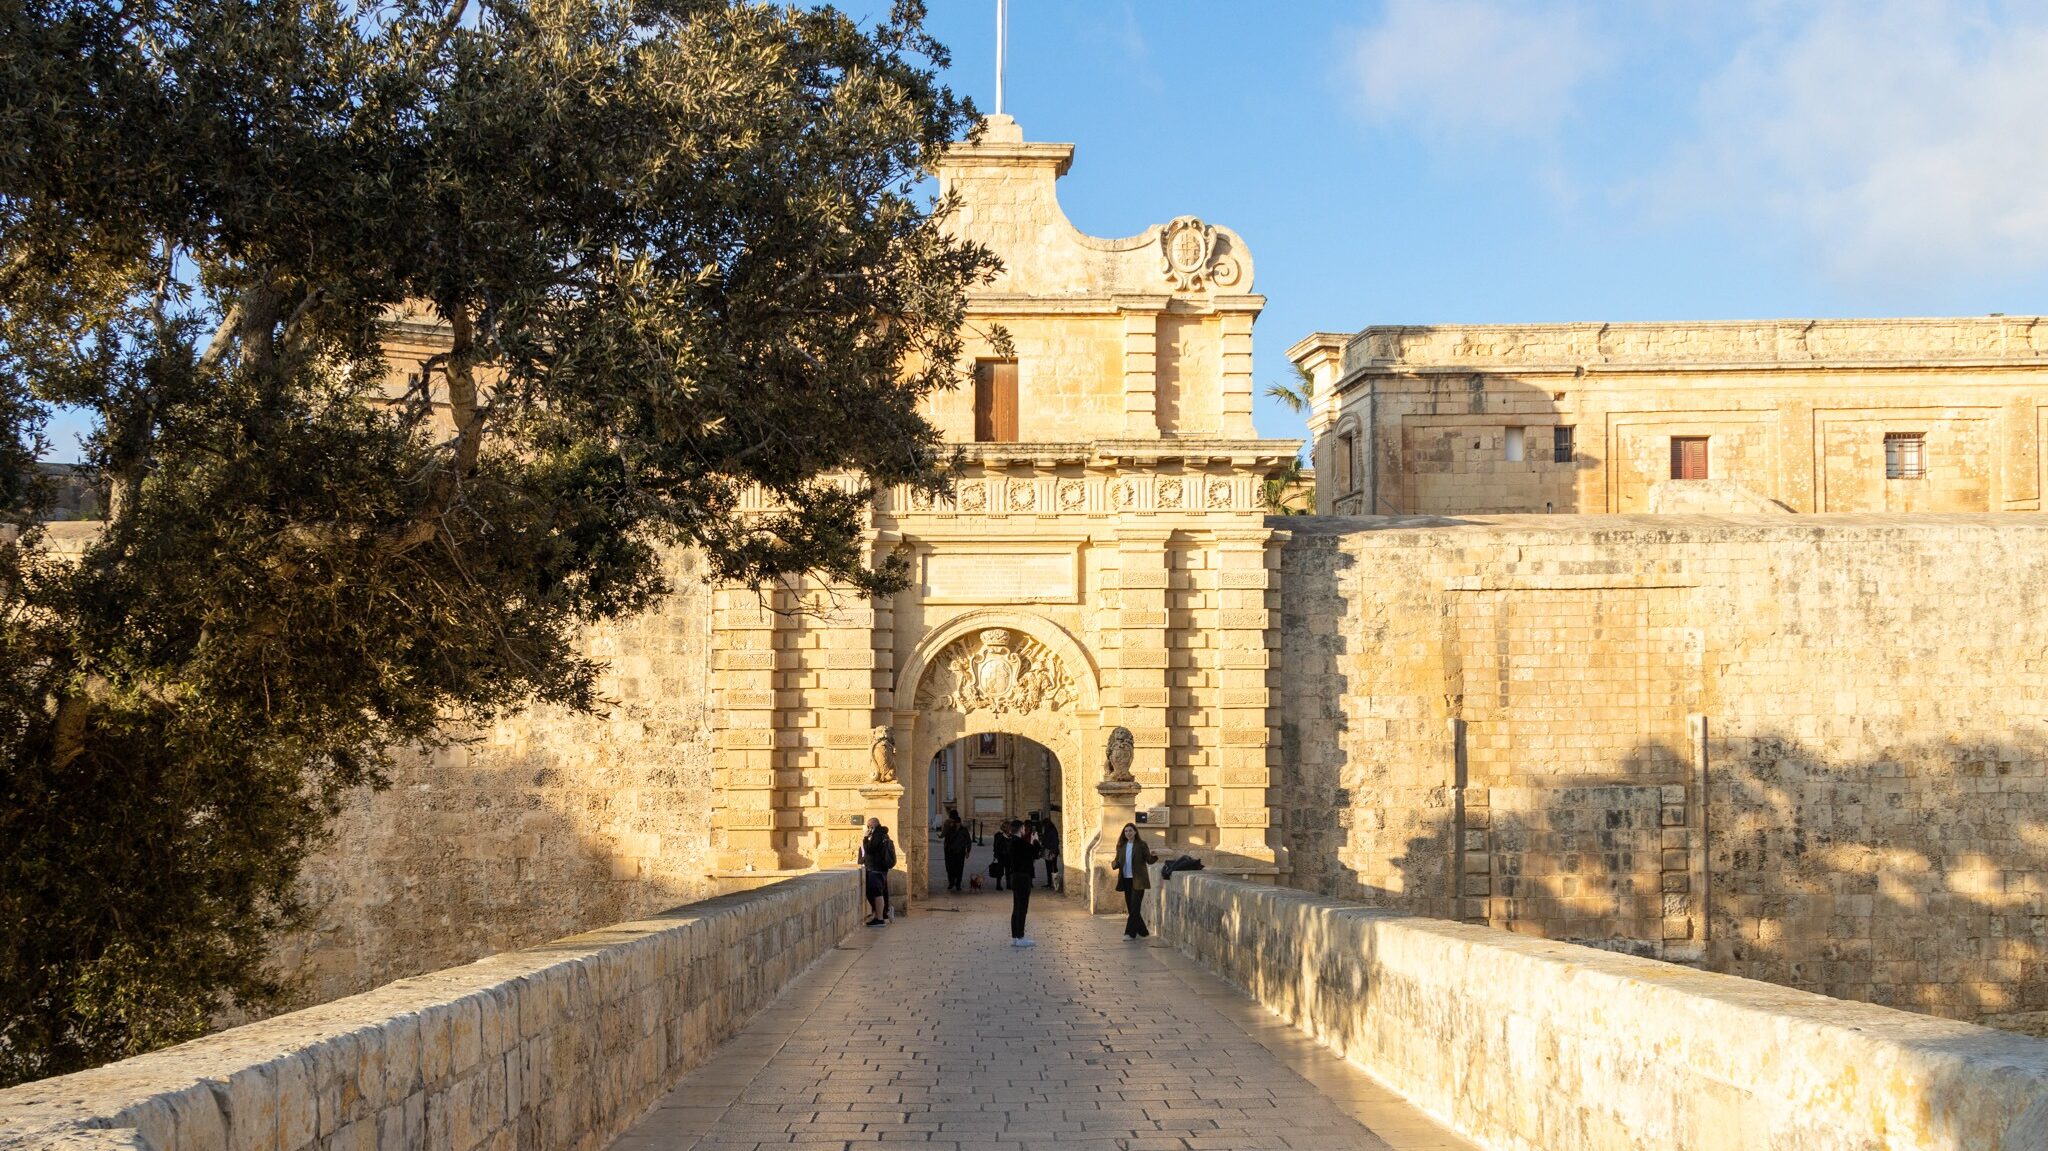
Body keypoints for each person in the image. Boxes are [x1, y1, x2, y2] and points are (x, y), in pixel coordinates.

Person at [1113, 823, 1156, 940]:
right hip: (1126, 880)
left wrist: (1154, 856)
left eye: (1130, 831)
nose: (1128, 833)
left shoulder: (1141, 845)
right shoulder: (1121, 846)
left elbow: (1149, 860)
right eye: (1126, 831)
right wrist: (1115, 864)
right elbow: (1116, 860)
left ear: (1135, 832)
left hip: (1138, 880)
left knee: (1135, 907)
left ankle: (1129, 934)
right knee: (1131, 908)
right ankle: (1143, 932)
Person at [1003, 819, 1042, 947]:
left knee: (1016, 908)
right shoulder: (1019, 842)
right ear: (1021, 829)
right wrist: (1035, 840)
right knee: (1022, 908)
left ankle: (1015, 936)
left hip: (1015, 876)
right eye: (1023, 828)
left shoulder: (1012, 842)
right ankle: (1020, 937)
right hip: (1022, 878)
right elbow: (1035, 852)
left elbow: (1028, 853)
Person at [858, 818, 896, 927]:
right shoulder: (883, 834)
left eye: (869, 826)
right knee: (878, 893)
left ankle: (880, 919)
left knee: (877, 893)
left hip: (875, 869)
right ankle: (881, 915)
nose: (868, 828)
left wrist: (865, 838)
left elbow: (870, 849)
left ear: (873, 825)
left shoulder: (878, 835)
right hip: (880, 869)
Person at [941, 809, 972, 893]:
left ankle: (958, 884)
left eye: (958, 823)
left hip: (960, 852)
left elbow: (968, 841)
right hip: (950, 851)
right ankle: (951, 882)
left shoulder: (964, 830)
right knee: (950, 868)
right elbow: (946, 838)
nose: (957, 824)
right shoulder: (950, 829)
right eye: (956, 823)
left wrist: (968, 851)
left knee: (959, 869)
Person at [990, 822, 1012, 890]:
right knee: (1000, 871)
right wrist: (995, 855)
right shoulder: (999, 836)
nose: (1008, 828)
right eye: (1006, 827)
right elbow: (996, 846)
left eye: (1008, 827)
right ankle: (998, 885)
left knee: (1008, 871)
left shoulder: (1011, 836)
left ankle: (1008, 884)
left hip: (1009, 856)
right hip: (1001, 856)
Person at [1039, 818, 1060, 888]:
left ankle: (1055, 884)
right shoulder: (1048, 830)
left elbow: (1055, 841)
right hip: (1048, 851)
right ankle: (1050, 883)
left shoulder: (1052, 830)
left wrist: (1054, 851)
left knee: (1053, 868)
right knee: (1049, 868)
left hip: (1052, 851)